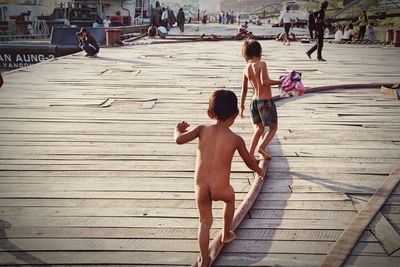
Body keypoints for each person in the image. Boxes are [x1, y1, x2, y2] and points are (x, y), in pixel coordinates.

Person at [174, 89, 264, 267]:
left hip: (201, 187)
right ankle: (226, 232)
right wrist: (259, 171)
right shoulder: (235, 139)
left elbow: (179, 140)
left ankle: (204, 259)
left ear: (209, 114)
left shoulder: (201, 129)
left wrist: (176, 130)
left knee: (204, 222)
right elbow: (249, 161)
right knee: (230, 199)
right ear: (235, 115)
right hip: (220, 187)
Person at [240, 39, 282, 160]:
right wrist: (281, 81)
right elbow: (265, 82)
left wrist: (241, 106)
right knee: (273, 128)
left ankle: (250, 153)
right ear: (259, 52)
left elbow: (244, 90)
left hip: (254, 102)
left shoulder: (246, 68)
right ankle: (262, 147)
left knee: (259, 129)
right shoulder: (261, 64)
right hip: (265, 101)